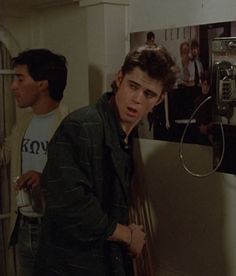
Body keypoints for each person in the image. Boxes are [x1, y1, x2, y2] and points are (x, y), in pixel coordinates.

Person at [33, 47, 176, 276]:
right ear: (119, 78)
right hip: (68, 266)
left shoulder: (124, 136)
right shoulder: (81, 126)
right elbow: (69, 207)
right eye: (133, 86)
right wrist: (127, 235)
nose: (137, 100)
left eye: (148, 94)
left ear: (159, 100)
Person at [0, 48, 69, 276]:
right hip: (23, 226)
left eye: (20, 78)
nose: (13, 86)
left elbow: (81, 182)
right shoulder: (24, 121)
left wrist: (44, 179)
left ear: (43, 84)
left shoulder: (70, 124)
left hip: (55, 230)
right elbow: (5, 154)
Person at [194, 70, 213, 145]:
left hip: (211, 130)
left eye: (208, 86)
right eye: (204, 84)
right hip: (202, 131)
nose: (206, 88)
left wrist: (208, 126)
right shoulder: (197, 100)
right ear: (201, 84)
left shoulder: (212, 99)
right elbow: (198, 119)